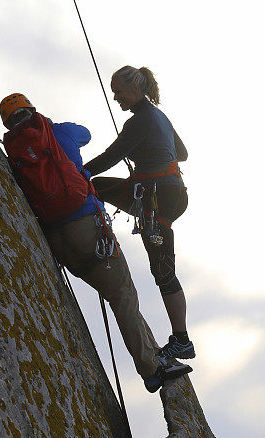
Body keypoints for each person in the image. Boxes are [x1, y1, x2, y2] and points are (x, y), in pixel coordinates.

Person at [0, 93, 192, 393]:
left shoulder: (14, 152)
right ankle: (153, 369)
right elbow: (86, 134)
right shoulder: (59, 132)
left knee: (115, 293)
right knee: (123, 296)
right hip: (88, 228)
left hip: (57, 240)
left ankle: (152, 358)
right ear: (32, 111)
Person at [83, 66, 194, 363]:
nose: (116, 97)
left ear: (134, 89)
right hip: (165, 193)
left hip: (156, 197)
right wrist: (151, 156)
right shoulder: (158, 117)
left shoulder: (141, 121)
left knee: (162, 268)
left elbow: (111, 156)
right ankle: (96, 230)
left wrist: (76, 171)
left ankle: (182, 341)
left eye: (118, 91)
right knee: (97, 188)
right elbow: (181, 154)